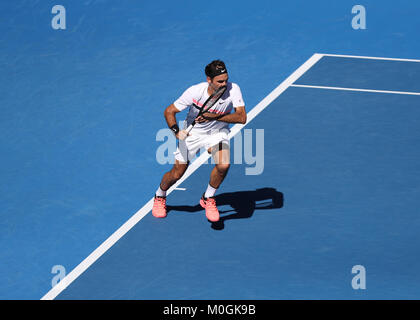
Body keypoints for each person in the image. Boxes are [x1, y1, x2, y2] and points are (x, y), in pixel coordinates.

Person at [152, 60, 246, 222]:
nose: (224, 84)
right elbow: (169, 111)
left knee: (223, 164)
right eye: (220, 81)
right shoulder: (194, 92)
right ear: (209, 80)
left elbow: (242, 117)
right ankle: (160, 195)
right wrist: (176, 131)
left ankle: (208, 198)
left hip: (217, 132)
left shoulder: (233, 89)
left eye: (226, 80)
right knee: (176, 174)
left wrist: (215, 116)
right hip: (192, 134)